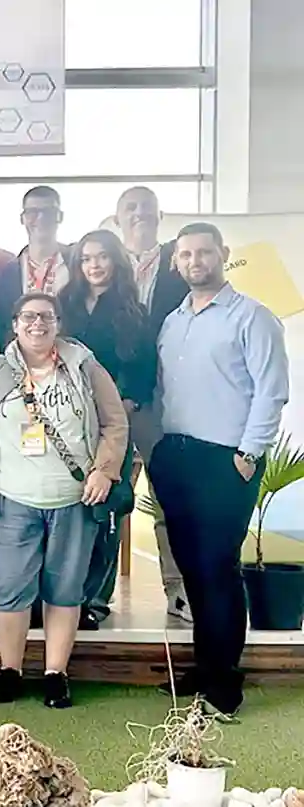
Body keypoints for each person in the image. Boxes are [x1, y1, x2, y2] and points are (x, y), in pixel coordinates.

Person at [150, 222, 289, 716]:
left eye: (204, 252)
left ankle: (225, 681)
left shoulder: (252, 317)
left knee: (218, 569)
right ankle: (204, 666)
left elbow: (272, 391)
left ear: (222, 254)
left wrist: (249, 454)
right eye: (186, 254)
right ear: (176, 263)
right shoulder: (173, 321)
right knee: (193, 569)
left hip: (227, 459)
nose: (195, 261)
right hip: (177, 457)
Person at [0, 292, 128, 709]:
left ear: (58, 323)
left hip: (73, 500)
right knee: (10, 588)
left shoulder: (85, 367)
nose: (36, 324)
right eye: (28, 316)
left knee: (65, 589)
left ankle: (56, 673)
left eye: (46, 317)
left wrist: (105, 470)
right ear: (14, 324)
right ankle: (10, 669)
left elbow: (115, 422)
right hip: (11, 500)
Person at [59, 230, 156, 628]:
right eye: (86, 258)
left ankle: (95, 599)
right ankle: (63, 594)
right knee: (68, 507)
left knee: (106, 510)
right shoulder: (63, 306)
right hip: (65, 423)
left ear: (116, 260)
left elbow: (145, 369)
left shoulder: (134, 311)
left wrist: (124, 407)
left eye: (101, 257)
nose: (94, 265)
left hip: (113, 423)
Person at [113, 186, 191, 621]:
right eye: (131, 207)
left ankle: (178, 589)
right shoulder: (105, 264)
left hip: (166, 401)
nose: (139, 214)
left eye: (147, 207)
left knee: (168, 498)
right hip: (114, 401)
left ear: (160, 216)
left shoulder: (179, 263)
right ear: (117, 218)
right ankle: (92, 594)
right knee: (104, 497)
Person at [0, 186, 74, 348]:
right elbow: (1, 327)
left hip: (72, 357)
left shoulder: (77, 265)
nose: (41, 218)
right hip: (21, 359)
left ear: (60, 216)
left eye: (48, 212)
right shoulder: (4, 276)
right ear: (23, 218)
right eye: (33, 212)